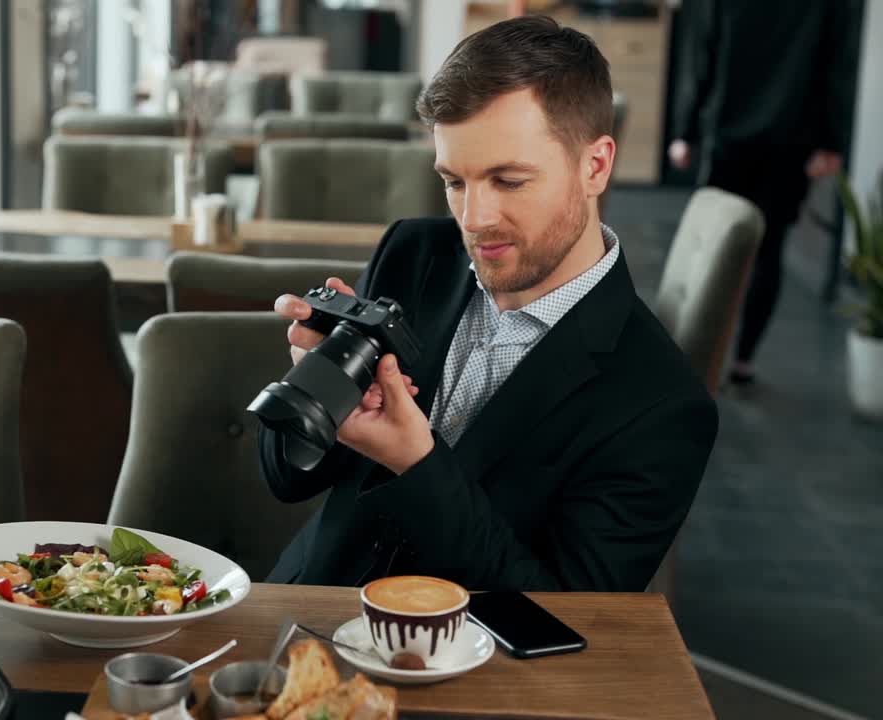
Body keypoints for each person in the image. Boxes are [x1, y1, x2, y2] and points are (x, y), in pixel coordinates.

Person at [258, 16, 718, 592]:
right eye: (455, 181)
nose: (473, 220)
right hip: (306, 611)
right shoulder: (411, 253)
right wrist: (318, 389)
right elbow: (286, 478)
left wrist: (416, 465)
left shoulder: (662, 404)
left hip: (477, 673)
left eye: (508, 180)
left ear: (595, 165)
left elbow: (563, 613)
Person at [668, 0, 860, 386]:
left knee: (714, 247)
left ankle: (702, 356)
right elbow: (840, 61)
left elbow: (702, 51)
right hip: (792, 134)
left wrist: (685, 129)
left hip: (727, 128)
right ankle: (742, 360)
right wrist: (833, 143)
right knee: (769, 248)